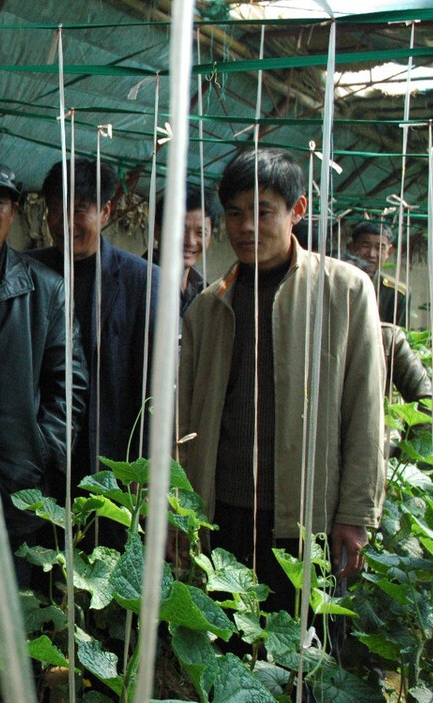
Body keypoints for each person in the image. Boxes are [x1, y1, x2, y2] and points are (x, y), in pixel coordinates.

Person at [178, 148, 384, 617]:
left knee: (301, 665)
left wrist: (355, 514)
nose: (247, 226)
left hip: (306, 516)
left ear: (298, 211)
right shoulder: (209, 308)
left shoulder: (345, 292)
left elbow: (366, 413)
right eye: (234, 213)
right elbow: (184, 422)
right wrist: (180, 512)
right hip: (223, 512)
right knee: (227, 655)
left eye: (262, 211)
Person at [0, 159, 87, 590]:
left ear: (15, 211)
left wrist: (42, 454)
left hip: (19, 485)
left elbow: (69, 387)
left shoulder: (47, 289)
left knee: (14, 622)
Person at [28, 157, 159, 533]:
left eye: (79, 209)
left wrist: (145, 474)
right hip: (44, 461)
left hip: (113, 464)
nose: (64, 222)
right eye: (55, 210)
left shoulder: (144, 282)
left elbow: (152, 390)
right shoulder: (28, 273)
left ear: (105, 211)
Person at [151, 183, 221, 315]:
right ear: (157, 231)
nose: (190, 241)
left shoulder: (206, 293)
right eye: (180, 230)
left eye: (200, 233)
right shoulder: (135, 283)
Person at [346, 220, 408, 327]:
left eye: (379, 248)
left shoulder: (395, 293)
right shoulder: (339, 282)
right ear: (352, 247)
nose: (372, 254)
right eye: (366, 246)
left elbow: (398, 335)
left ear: (389, 252)